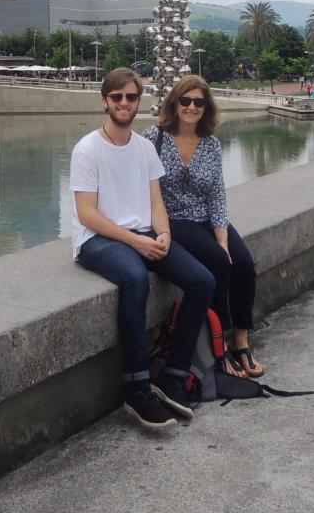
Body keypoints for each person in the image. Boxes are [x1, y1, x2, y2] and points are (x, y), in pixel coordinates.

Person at [70, 67, 215, 430]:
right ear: (104, 101)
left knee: (203, 281)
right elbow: (86, 214)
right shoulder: (87, 149)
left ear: (138, 102)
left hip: (144, 234)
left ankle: (173, 375)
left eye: (130, 97)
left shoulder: (145, 147)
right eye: (116, 97)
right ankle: (136, 388)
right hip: (98, 240)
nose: (123, 103)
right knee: (136, 278)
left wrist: (163, 233)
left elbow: (156, 204)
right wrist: (135, 240)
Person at [144, 75, 265, 381]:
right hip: (174, 219)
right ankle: (219, 345)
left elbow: (217, 193)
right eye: (185, 101)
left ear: (206, 107)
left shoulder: (211, 144)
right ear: (174, 103)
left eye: (199, 102)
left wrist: (222, 237)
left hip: (206, 217)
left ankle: (241, 338)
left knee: (244, 264)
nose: (191, 107)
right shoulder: (153, 138)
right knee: (218, 264)